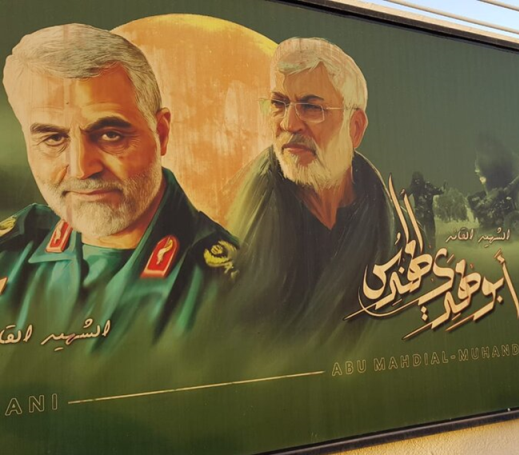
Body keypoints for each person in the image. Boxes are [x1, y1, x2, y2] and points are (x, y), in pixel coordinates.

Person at [0, 24, 238, 345]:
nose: (82, 169)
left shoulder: (236, 285)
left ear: (161, 134)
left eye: (111, 135)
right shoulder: (10, 252)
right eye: (54, 138)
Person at [227, 37, 394, 338]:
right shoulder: (241, 214)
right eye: (278, 104)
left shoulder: (387, 217)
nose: (289, 123)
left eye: (311, 107)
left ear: (354, 128)